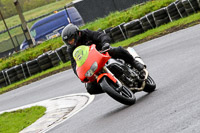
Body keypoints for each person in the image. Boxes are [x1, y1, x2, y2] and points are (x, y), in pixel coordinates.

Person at [61, 23, 145, 94]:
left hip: (102, 52)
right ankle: (112, 87)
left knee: (117, 50)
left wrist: (105, 43)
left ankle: (135, 63)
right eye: (68, 41)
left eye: (71, 40)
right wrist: (80, 75)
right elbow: (74, 64)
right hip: (91, 63)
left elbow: (101, 36)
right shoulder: (71, 49)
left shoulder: (86, 33)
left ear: (76, 34)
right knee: (90, 88)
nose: (70, 42)